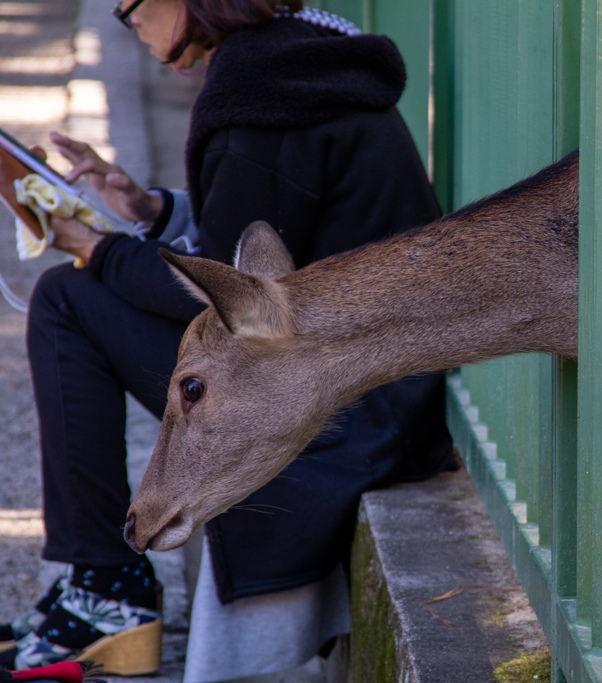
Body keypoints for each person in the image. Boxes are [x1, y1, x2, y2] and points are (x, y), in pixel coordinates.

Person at [0, 0, 453, 678]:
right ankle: (99, 584)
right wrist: (151, 209)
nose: (131, 22)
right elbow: (261, 238)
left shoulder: (256, 104)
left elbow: (229, 303)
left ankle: (105, 588)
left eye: (130, 9)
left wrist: (95, 247)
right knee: (84, 291)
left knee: (68, 301)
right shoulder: (297, 60)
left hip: (346, 418)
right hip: (379, 392)